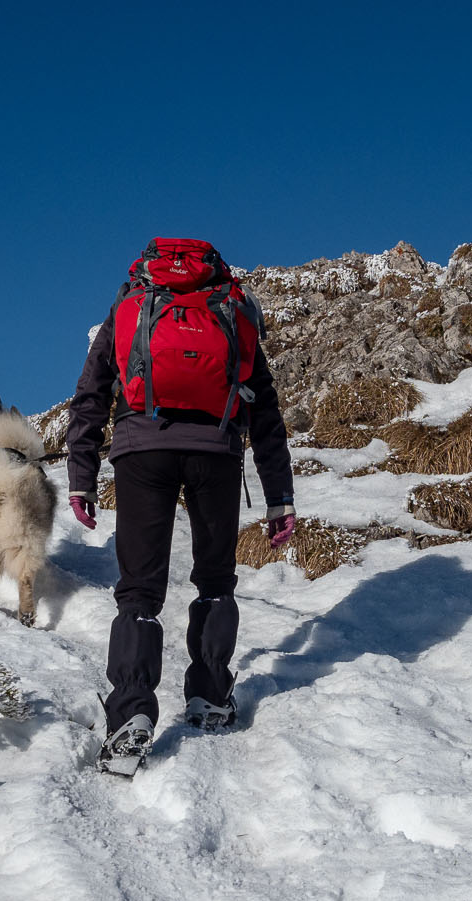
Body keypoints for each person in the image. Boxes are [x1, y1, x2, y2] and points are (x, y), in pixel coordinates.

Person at [65, 237, 296, 775]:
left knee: (140, 590)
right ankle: (211, 695)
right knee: (215, 580)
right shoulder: (230, 307)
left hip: (141, 450)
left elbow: (91, 394)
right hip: (215, 451)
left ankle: (130, 716)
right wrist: (279, 497)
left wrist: (82, 477)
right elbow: (266, 415)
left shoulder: (130, 306)